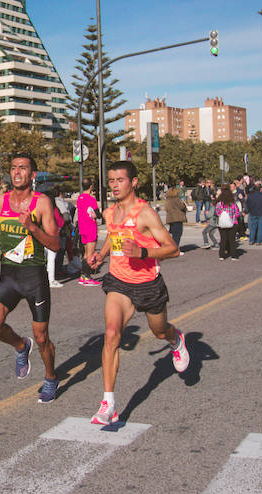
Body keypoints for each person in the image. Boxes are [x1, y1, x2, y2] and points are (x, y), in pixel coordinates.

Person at [86, 161, 188, 425]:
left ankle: (176, 339)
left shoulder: (145, 214)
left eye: (120, 180)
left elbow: (173, 249)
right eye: (111, 180)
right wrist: (101, 254)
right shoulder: (110, 213)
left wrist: (143, 252)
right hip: (119, 282)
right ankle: (108, 403)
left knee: (159, 331)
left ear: (133, 182)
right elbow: (113, 235)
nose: (115, 185)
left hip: (148, 285)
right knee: (111, 334)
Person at [0, 154, 61, 403]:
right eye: (14, 168)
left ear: (33, 175)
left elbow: (56, 245)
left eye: (23, 168)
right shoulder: (0, 201)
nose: (17, 172)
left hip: (34, 278)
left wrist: (33, 228)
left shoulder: (42, 204)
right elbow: (0, 232)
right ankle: (20, 346)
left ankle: (50, 377)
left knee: (42, 337)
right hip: (8, 275)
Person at [76, 178, 101, 286]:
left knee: (86, 254)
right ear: (91, 186)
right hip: (90, 227)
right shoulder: (91, 199)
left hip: (82, 228)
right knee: (90, 255)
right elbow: (97, 213)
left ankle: (83, 276)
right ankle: (86, 276)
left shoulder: (79, 198)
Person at [214, 185, 240, 261]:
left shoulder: (219, 204)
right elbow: (237, 213)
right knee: (232, 239)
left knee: (223, 239)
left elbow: (217, 213)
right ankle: (233, 255)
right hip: (233, 223)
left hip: (222, 223)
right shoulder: (233, 203)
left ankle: (221, 255)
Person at [163, 187, 187, 252]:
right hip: (177, 218)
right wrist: (184, 204)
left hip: (170, 218)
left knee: (173, 234)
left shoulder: (167, 200)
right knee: (177, 234)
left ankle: (171, 247)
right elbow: (182, 206)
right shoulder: (176, 199)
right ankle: (175, 249)